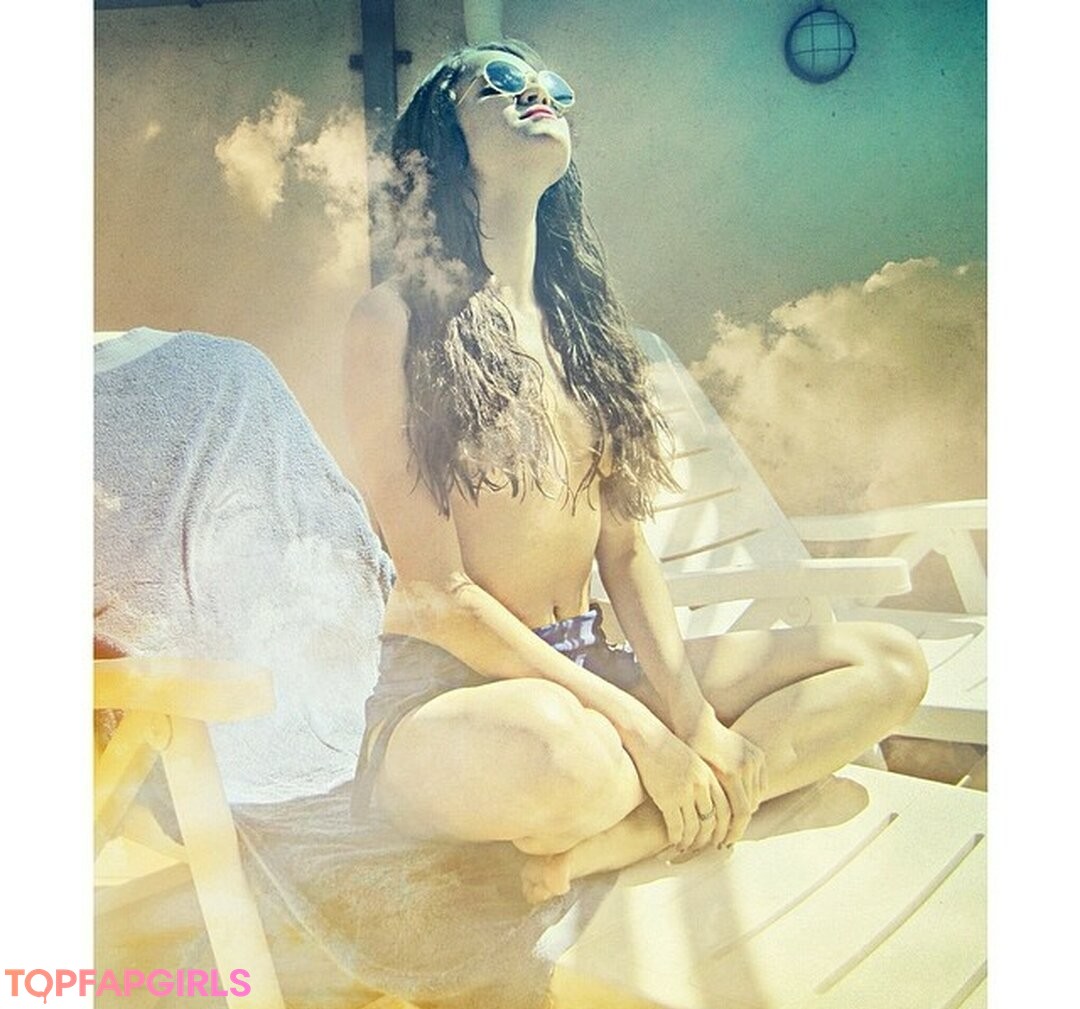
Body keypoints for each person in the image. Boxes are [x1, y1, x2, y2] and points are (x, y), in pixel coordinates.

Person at [345, 40, 928, 905]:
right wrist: (654, 735)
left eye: (549, 86)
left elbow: (623, 553)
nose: (535, 94)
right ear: (438, 139)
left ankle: (629, 835)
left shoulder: (585, 335)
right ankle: (650, 796)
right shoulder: (394, 321)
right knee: (565, 756)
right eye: (498, 82)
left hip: (590, 662)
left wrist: (692, 720)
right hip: (453, 696)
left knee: (887, 661)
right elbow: (439, 596)